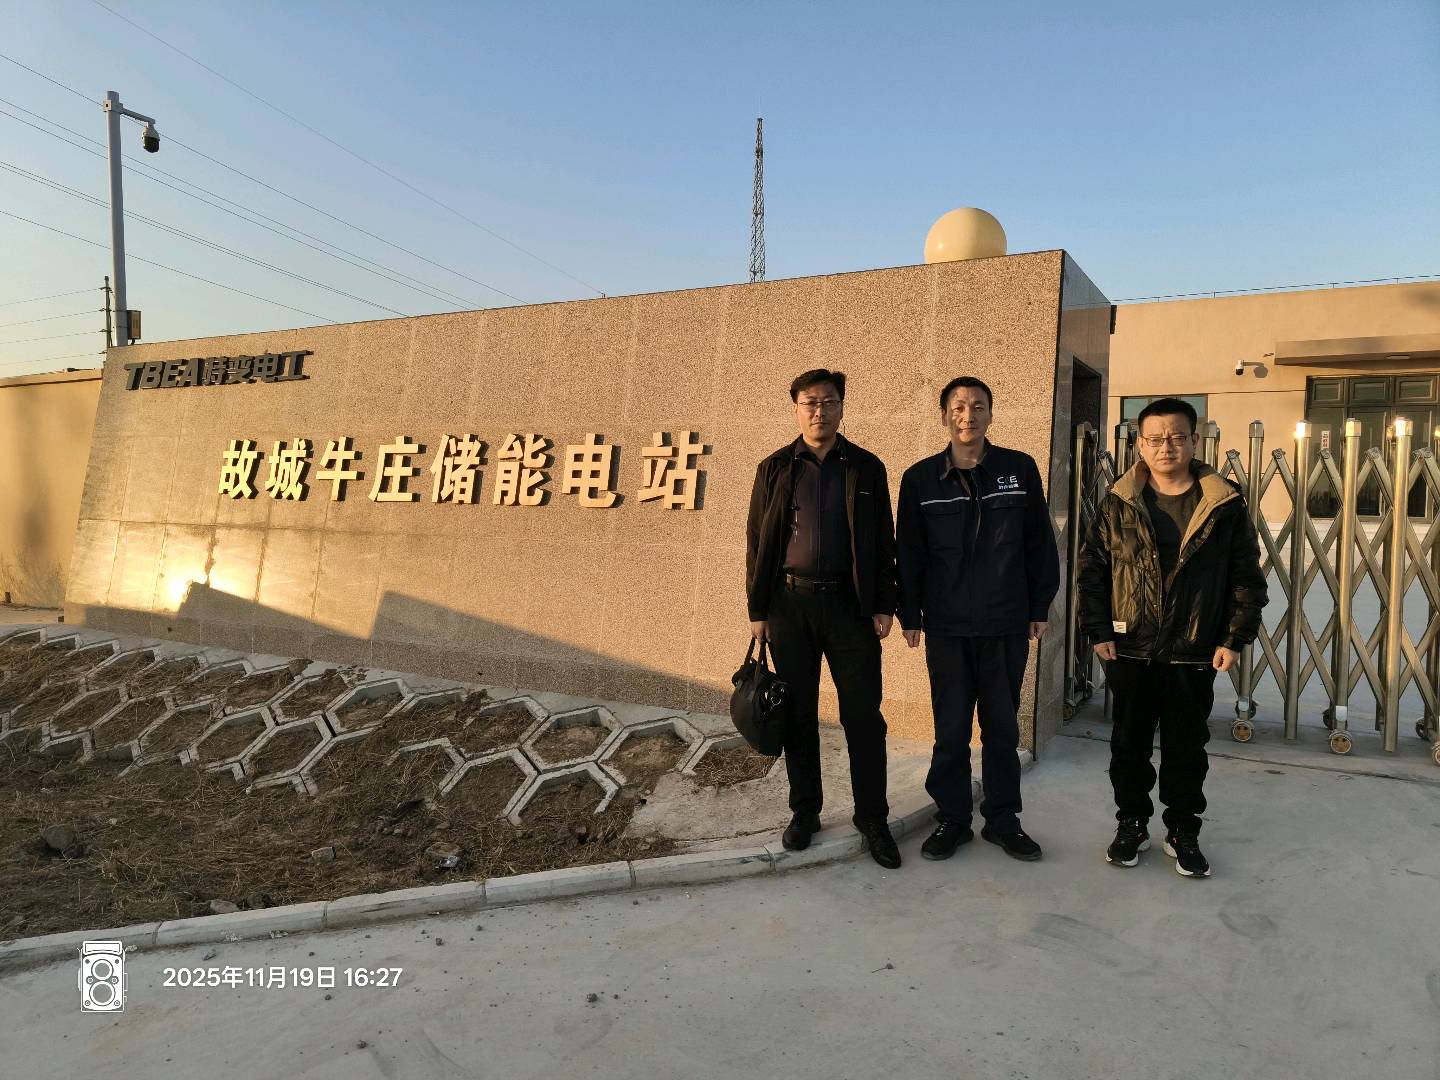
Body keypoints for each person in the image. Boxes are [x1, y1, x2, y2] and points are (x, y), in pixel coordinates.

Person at [1078, 397, 1267, 878]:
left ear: (1194, 441)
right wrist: (1098, 629)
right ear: (1140, 444)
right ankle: (1132, 823)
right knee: (1129, 743)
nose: (1167, 446)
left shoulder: (1223, 505)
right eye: (1156, 438)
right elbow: (1093, 570)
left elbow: (1246, 579)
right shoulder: (1118, 502)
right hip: (1130, 647)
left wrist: (1232, 638)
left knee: (1187, 747)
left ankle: (1183, 830)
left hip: (1194, 648)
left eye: (1177, 437)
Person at [895, 376, 1059, 863]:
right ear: (944, 415)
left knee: (1002, 729)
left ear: (990, 413)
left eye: (978, 406)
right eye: (959, 407)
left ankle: (1003, 820)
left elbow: (1039, 543)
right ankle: (952, 819)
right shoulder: (920, 479)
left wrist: (1038, 607)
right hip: (947, 626)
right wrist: (910, 613)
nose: (968, 416)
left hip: (1006, 623)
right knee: (950, 730)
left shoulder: (1018, 469)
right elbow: (909, 552)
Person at [745, 368, 901, 869]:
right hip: (790, 606)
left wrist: (884, 603)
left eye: (829, 401)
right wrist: (758, 609)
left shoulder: (866, 467)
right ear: (796, 409)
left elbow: (884, 541)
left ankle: (872, 817)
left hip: (850, 609)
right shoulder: (774, 468)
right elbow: (757, 542)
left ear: (841, 407)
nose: (819, 411)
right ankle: (805, 811)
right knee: (798, 714)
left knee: (863, 716)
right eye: (810, 402)